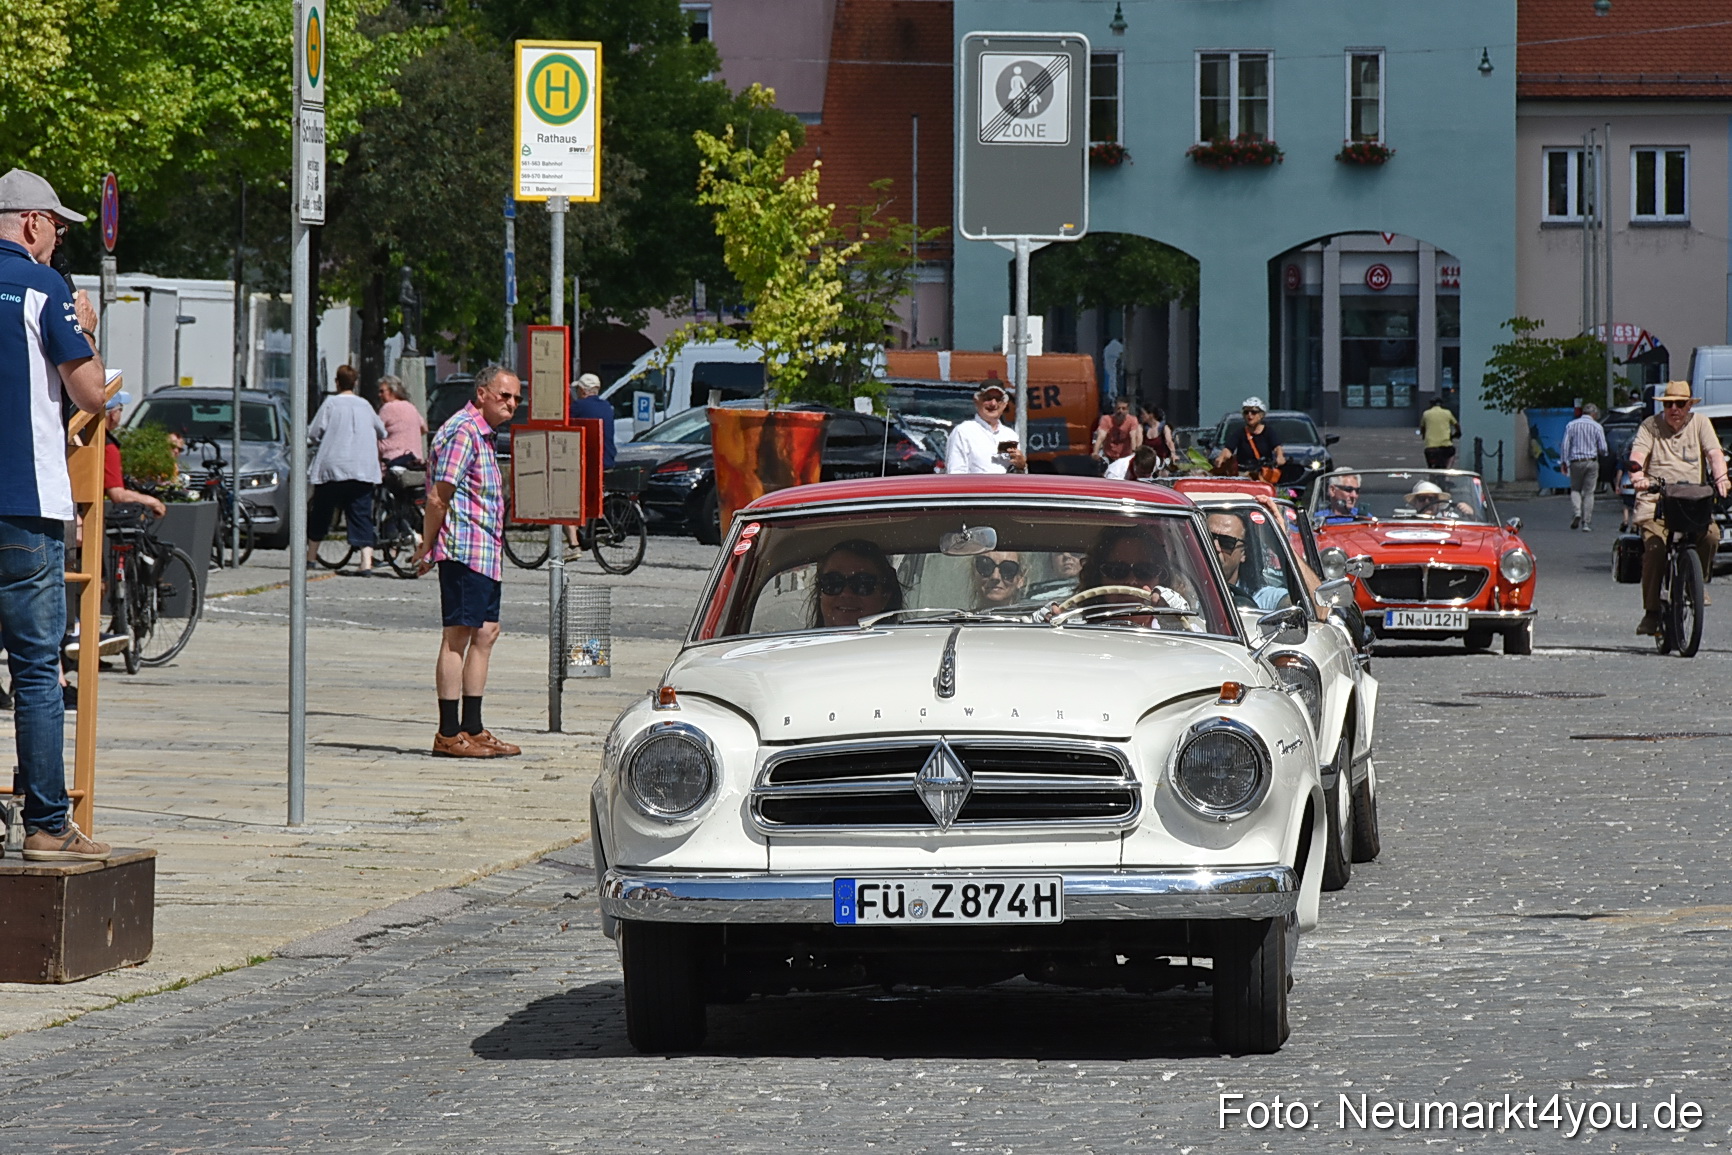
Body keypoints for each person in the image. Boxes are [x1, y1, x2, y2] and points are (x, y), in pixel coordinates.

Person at [0, 168, 111, 861]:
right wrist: (88, 334)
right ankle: (45, 823)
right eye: (59, 226)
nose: (61, 237)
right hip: (24, 504)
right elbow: (92, 393)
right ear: (33, 222)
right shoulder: (44, 289)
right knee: (37, 668)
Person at [410, 366, 522, 758]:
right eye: (504, 395)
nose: (511, 403)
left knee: (487, 631)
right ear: (481, 394)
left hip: (486, 550)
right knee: (457, 635)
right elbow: (440, 496)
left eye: (515, 398)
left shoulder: (484, 435)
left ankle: (472, 727)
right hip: (464, 549)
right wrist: (428, 545)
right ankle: (447, 732)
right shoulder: (463, 431)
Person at [1629, 380, 1729, 637]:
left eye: (1680, 404)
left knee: (1711, 535)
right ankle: (1651, 613)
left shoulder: (1700, 424)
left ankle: (1695, 582)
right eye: (1669, 404)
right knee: (1655, 548)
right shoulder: (1650, 426)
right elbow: (1638, 456)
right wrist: (1638, 475)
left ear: (1689, 406)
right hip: (1656, 501)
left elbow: (1715, 454)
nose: (1674, 409)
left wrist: (1721, 478)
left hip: (1691, 501)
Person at [308, 364, 387, 575]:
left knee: (322, 511)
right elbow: (382, 431)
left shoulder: (331, 403)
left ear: (336, 382)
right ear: (356, 382)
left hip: (333, 466)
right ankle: (366, 562)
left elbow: (314, 431)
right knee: (361, 513)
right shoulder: (365, 405)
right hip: (362, 466)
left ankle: (311, 557)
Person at [1207, 511, 1289, 611]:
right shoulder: (1185, 588)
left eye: (1226, 542)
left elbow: (1310, 606)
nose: (1215, 547)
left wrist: (1283, 547)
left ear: (1243, 553)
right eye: (1207, 538)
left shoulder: (1262, 600)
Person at [809, 540, 902, 628]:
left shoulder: (908, 644)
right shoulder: (798, 644)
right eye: (833, 582)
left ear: (885, 596)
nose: (846, 593)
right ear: (820, 593)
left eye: (862, 584)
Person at [945, 375, 1026, 474]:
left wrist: (1021, 466)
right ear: (976, 401)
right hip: (976, 489)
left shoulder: (1010, 435)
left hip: (1005, 489)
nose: (993, 403)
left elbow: (1016, 477)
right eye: (988, 398)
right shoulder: (963, 432)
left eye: (998, 399)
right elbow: (955, 474)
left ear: (1005, 404)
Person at [101, 393, 165, 517]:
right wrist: (153, 502)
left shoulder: (83, 436)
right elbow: (118, 495)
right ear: (113, 415)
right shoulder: (108, 447)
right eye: (120, 409)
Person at [1561, 402, 1609, 532]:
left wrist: (1564, 462)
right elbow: (1603, 448)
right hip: (1591, 461)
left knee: (1575, 489)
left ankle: (1577, 512)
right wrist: (1602, 453)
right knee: (1589, 492)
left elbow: (1565, 445)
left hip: (1576, 461)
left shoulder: (1571, 425)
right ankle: (1586, 522)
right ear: (1594, 414)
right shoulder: (1597, 427)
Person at [1214, 396, 1286, 472]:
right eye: (1246, 412)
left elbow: (1277, 447)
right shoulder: (1240, 433)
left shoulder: (1269, 432)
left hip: (1263, 473)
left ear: (1261, 415)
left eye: (1253, 412)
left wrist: (1280, 456)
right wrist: (1221, 458)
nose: (1249, 415)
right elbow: (1228, 449)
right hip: (1244, 473)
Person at [376, 375, 427, 468]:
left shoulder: (388, 408)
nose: (379, 395)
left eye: (382, 391)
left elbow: (375, 430)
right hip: (415, 460)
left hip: (393, 461)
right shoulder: (411, 407)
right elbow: (424, 428)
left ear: (393, 391)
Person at [569, 373, 617, 469]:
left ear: (582, 391)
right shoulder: (606, 406)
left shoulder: (578, 406)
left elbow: (566, 425)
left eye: (577, 389)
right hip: (607, 459)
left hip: (590, 463)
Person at [1092, 397, 1141, 464]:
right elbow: (1101, 437)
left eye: (1123, 408)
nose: (1120, 411)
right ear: (1114, 409)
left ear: (1128, 410)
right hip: (1109, 456)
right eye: (1118, 408)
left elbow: (1133, 437)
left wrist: (1133, 454)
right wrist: (1095, 452)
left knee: (1139, 429)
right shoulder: (1106, 419)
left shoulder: (1132, 420)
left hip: (1125, 458)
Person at [1418, 397, 1460, 469]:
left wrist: (1424, 436)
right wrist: (1457, 433)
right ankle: (1447, 471)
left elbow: (1422, 427)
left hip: (1430, 446)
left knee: (1430, 464)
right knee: (1452, 453)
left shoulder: (1426, 413)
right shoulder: (1447, 412)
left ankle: (1431, 475)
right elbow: (1456, 425)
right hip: (1445, 445)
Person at [1404, 479, 1473, 520]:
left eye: (1432, 499)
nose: (1427, 502)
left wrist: (1470, 514)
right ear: (1415, 503)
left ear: (1438, 503)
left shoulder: (1451, 518)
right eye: (1422, 498)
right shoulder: (1408, 521)